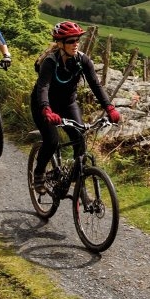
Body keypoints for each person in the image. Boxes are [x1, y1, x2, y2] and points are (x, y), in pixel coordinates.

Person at [30, 21, 122, 191]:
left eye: (77, 40)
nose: (75, 44)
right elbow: (43, 87)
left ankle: (73, 178)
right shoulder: (50, 62)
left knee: (80, 139)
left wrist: (109, 108)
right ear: (60, 43)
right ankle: (39, 173)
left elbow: (96, 85)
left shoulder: (82, 60)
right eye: (71, 41)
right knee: (51, 141)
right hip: (43, 106)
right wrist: (46, 109)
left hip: (67, 104)